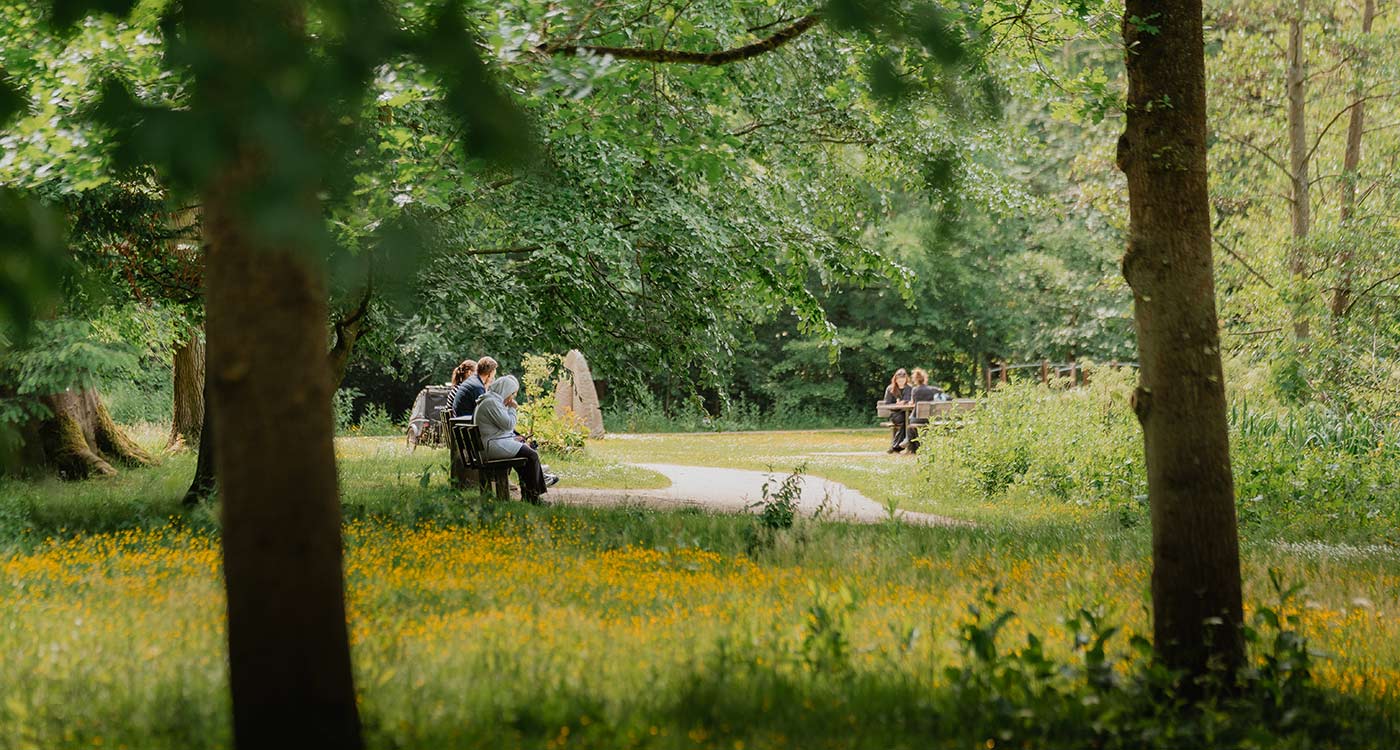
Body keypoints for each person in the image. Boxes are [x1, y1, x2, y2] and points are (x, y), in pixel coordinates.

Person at [473, 374, 557, 503]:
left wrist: (512, 437)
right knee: (531, 455)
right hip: (491, 446)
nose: (512, 398)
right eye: (512, 394)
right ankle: (533, 497)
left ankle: (530, 496)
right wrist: (512, 408)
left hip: (490, 444)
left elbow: (503, 429)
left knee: (525, 457)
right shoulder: (492, 402)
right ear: (506, 390)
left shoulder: (490, 400)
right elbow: (508, 424)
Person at [906, 368, 946, 455]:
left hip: (917, 418)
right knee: (913, 424)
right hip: (929, 418)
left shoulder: (915, 390)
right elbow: (942, 392)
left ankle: (911, 446)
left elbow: (912, 403)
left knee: (910, 425)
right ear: (924, 378)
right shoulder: (932, 389)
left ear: (915, 379)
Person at [883, 368, 912, 454]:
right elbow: (887, 403)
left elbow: (911, 400)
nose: (901, 381)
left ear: (906, 379)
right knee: (905, 421)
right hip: (895, 413)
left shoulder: (909, 388)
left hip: (907, 412)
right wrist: (896, 405)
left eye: (903, 380)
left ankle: (896, 447)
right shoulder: (890, 389)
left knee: (909, 420)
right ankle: (900, 444)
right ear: (895, 379)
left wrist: (906, 402)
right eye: (899, 380)